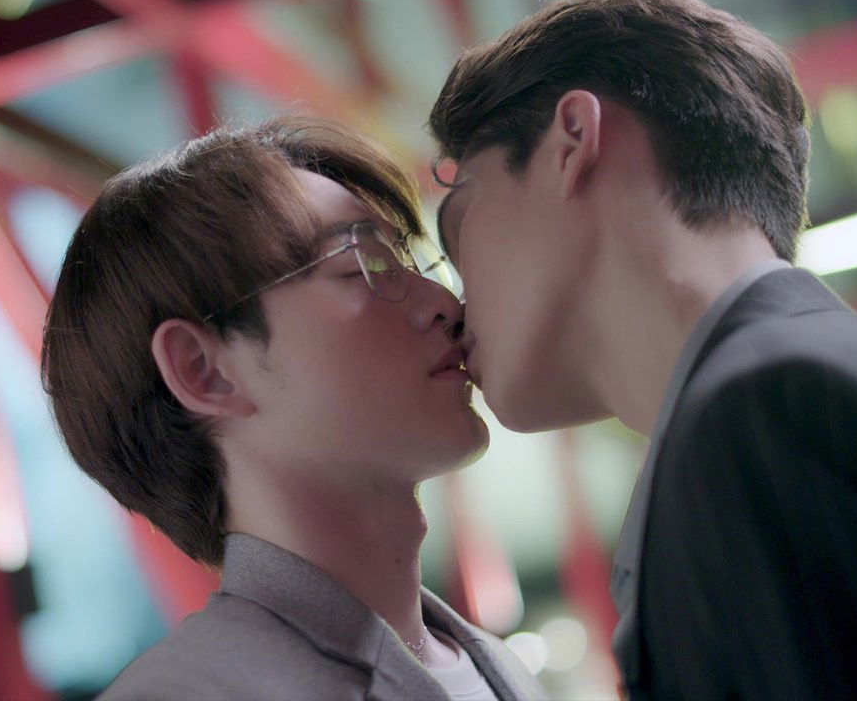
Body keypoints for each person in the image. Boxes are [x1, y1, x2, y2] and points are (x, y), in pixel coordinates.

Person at [427, 0, 857, 700]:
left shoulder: (764, 414)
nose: (452, 305)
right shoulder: (793, 390)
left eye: (457, 219)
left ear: (571, 142)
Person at [41, 117, 544, 700]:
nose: (445, 303)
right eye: (363, 265)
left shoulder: (497, 669)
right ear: (203, 370)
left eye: (410, 262)